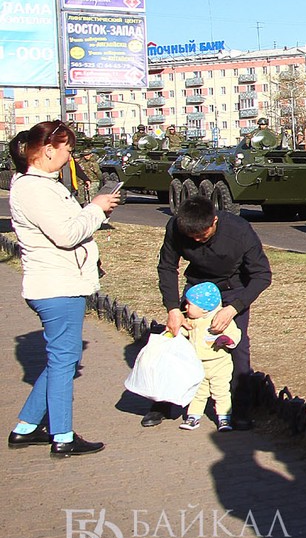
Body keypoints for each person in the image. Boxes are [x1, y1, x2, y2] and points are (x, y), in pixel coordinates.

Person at [7, 122, 121, 457]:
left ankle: (26, 427)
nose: (70, 155)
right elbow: (67, 234)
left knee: (61, 359)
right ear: (47, 150)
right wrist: (96, 209)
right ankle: (63, 436)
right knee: (64, 361)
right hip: (56, 286)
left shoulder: (39, 185)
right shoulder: (34, 189)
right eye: (67, 149)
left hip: (58, 282)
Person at [149, 194, 272, 429]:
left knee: (237, 347)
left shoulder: (239, 231)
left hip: (232, 289)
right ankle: (163, 404)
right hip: (196, 289)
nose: (196, 239)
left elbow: (262, 275)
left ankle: (239, 410)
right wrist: (173, 309)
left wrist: (232, 309)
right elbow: (167, 266)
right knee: (177, 343)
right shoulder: (176, 228)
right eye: (191, 237)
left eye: (202, 235)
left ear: (214, 221)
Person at [176, 282, 242, 432]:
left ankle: (224, 417)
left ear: (204, 308)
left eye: (189, 305)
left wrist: (227, 340)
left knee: (221, 391)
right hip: (198, 364)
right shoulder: (191, 321)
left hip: (219, 364)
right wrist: (175, 332)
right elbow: (184, 333)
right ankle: (193, 416)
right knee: (198, 391)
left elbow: (235, 334)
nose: (185, 308)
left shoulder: (220, 320)